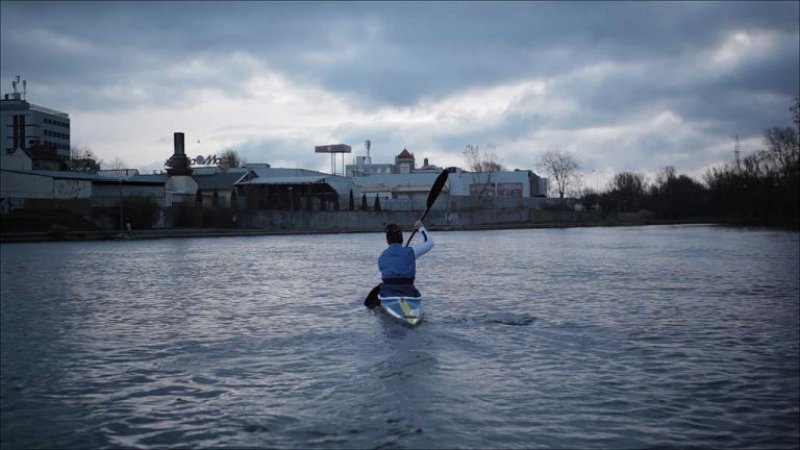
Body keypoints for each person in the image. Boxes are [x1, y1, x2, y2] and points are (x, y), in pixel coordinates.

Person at [377, 220, 434, 299]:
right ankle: (408, 308)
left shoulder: (381, 257)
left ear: (388, 240)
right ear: (401, 238)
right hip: (408, 292)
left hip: (388, 293)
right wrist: (421, 227)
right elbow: (430, 243)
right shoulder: (411, 252)